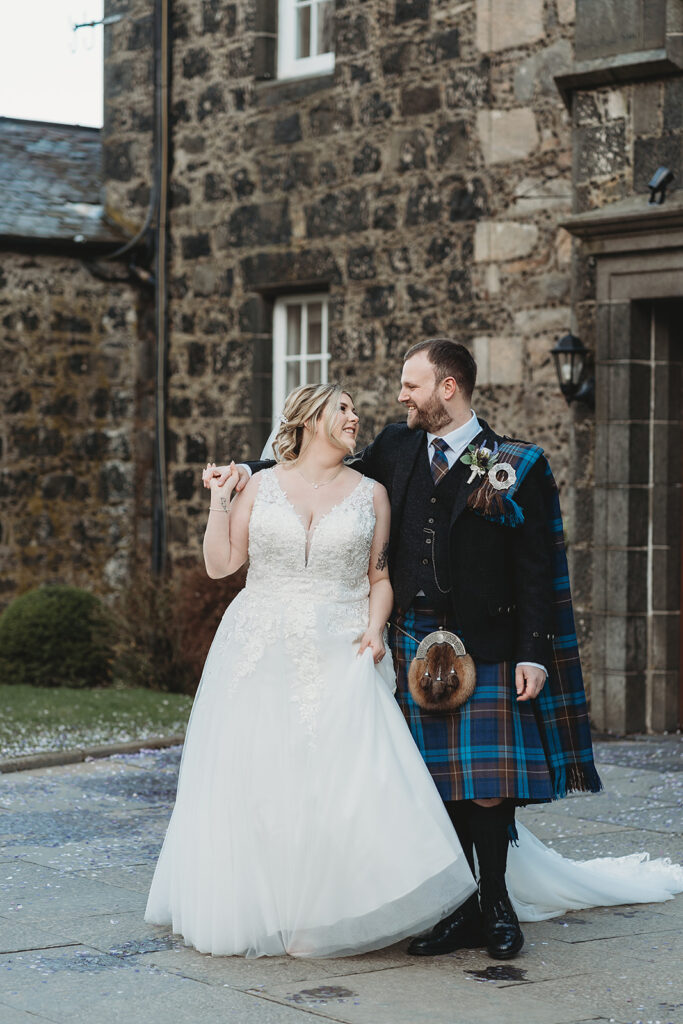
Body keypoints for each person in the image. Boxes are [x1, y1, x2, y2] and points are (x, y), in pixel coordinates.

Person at [211, 339, 682, 960]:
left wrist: (534, 654)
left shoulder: (516, 463)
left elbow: (540, 570)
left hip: (485, 645)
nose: (400, 395)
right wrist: (245, 472)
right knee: (429, 786)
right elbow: (311, 467)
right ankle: (456, 908)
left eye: (411, 385)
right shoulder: (397, 447)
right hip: (410, 642)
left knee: (488, 785)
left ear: (448, 388)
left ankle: (495, 904)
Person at [144, 382, 478, 958]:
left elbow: (379, 579)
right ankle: (265, 906)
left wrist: (375, 629)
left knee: (339, 783)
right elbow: (222, 565)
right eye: (343, 408)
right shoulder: (260, 484)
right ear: (308, 417)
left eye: (353, 409)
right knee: (259, 777)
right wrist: (220, 500)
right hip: (256, 647)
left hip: (341, 647)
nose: (355, 417)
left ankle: (328, 912)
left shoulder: (372, 493)